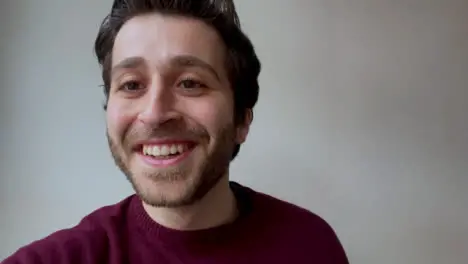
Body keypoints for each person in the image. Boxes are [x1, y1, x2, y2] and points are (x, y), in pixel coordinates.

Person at [2, 0, 349, 263]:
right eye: (132, 84)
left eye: (190, 83)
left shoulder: (310, 245)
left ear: (242, 120)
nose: (154, 114)